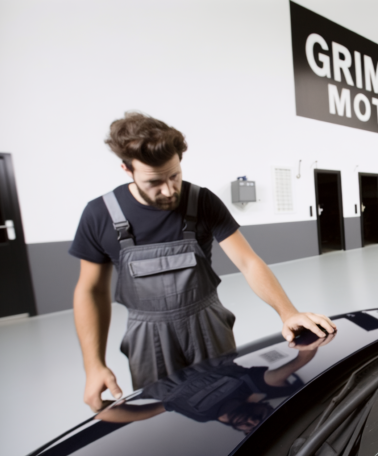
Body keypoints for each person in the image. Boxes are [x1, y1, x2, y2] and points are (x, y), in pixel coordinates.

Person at [69, 112, 336, 412]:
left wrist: (288, 313)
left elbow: (248, 261)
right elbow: (91, 290)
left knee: (227, 399)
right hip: (147, 337)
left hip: (207, 326)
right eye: (154, 182)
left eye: (174, 176)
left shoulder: (203, 201)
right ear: (126, 169)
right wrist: (94, 365)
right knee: (165, 416)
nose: (169, 190)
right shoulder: (99, 215)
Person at [95, 332, 334, 433]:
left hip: (155, 356)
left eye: (251, 428)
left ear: (242, 432)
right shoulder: (251, 386)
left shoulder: (199, 415)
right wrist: (307, 340)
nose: (252, 421)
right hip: (201, 337)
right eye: (260, 418)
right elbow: (297, 363)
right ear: (263, 406)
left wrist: (100, 407)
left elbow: (143, 412)